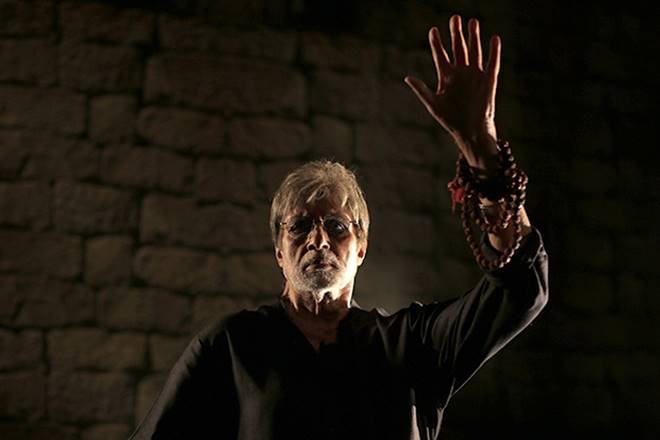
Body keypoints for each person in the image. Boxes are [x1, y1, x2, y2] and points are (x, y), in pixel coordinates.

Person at [129, 15, 548, 439]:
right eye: (299, 227)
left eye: (336, 226)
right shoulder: (232, 348)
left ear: (361, 247)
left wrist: (484, 154)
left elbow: (521, 287)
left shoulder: (413, 345)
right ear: (278, 251)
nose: (319, 239)